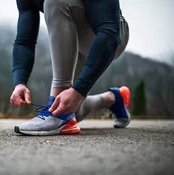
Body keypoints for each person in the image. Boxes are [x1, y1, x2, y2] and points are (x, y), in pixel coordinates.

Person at [10, 0, 130, 135]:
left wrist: (79, 90)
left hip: (111, 32)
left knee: (54, 2)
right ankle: (112, 99)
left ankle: (58, 115)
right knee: (68, 109)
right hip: (76, 39)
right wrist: (19, 82)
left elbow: (110, 33)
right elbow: (24, 41)